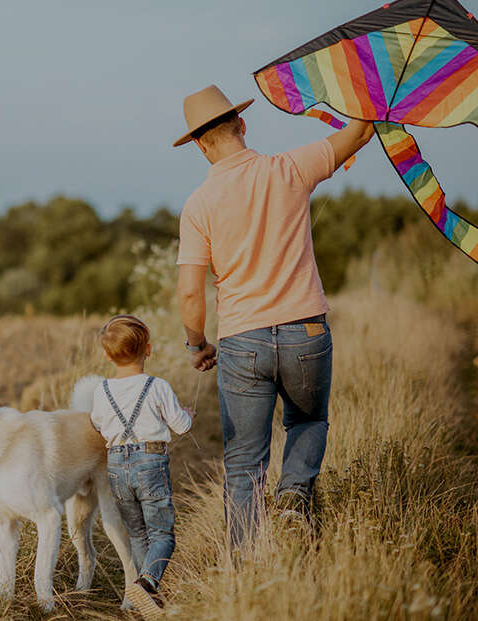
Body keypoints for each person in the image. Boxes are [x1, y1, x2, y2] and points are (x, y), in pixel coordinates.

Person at [172, 85, 374, 546]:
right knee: (307, 422)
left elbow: (189, 292)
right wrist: (369, 83)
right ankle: (293, 499)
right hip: (306, 330)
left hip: (242, 341)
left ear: (200, 145)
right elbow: (360, 133)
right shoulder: (290, 168)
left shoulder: (198, 205)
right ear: (242, 125)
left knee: (244, 460)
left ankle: (246, 563)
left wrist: (197, 344)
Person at [90, 314, 193, 620]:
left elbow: (98, 424)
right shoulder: (157, 386)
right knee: (162, 535)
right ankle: (146, 584)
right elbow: (181, 426)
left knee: (137, 534)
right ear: (148, 350)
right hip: (150, 463)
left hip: (116, 465)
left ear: (107, 355)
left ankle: (147, 598)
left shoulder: (102, 390)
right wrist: (188, 414)